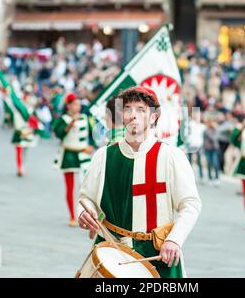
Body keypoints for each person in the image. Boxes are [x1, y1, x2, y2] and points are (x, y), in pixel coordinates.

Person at [77, 86, 202, 278]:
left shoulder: (171, 156)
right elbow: (85, 199)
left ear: (153, 117)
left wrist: (175, 240)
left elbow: (191, 204)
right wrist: (84, 214)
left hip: (157, 253)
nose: (133, 115)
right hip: (111, 250)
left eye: (140, 110)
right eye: (128, 109)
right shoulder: (103, 156)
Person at [52, 93, 95, 227]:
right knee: (70, 188)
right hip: (69, 156)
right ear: (69, 105)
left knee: (86, 187)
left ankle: (87, 215)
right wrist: (71, 123)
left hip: (83, 156)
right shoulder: (63, 119)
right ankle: (72, 216)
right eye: (75, 104)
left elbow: (91, 134)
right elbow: (59, 133)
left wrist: (91, 145)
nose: (78, 107)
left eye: (79, 104)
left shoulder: (85, 117)